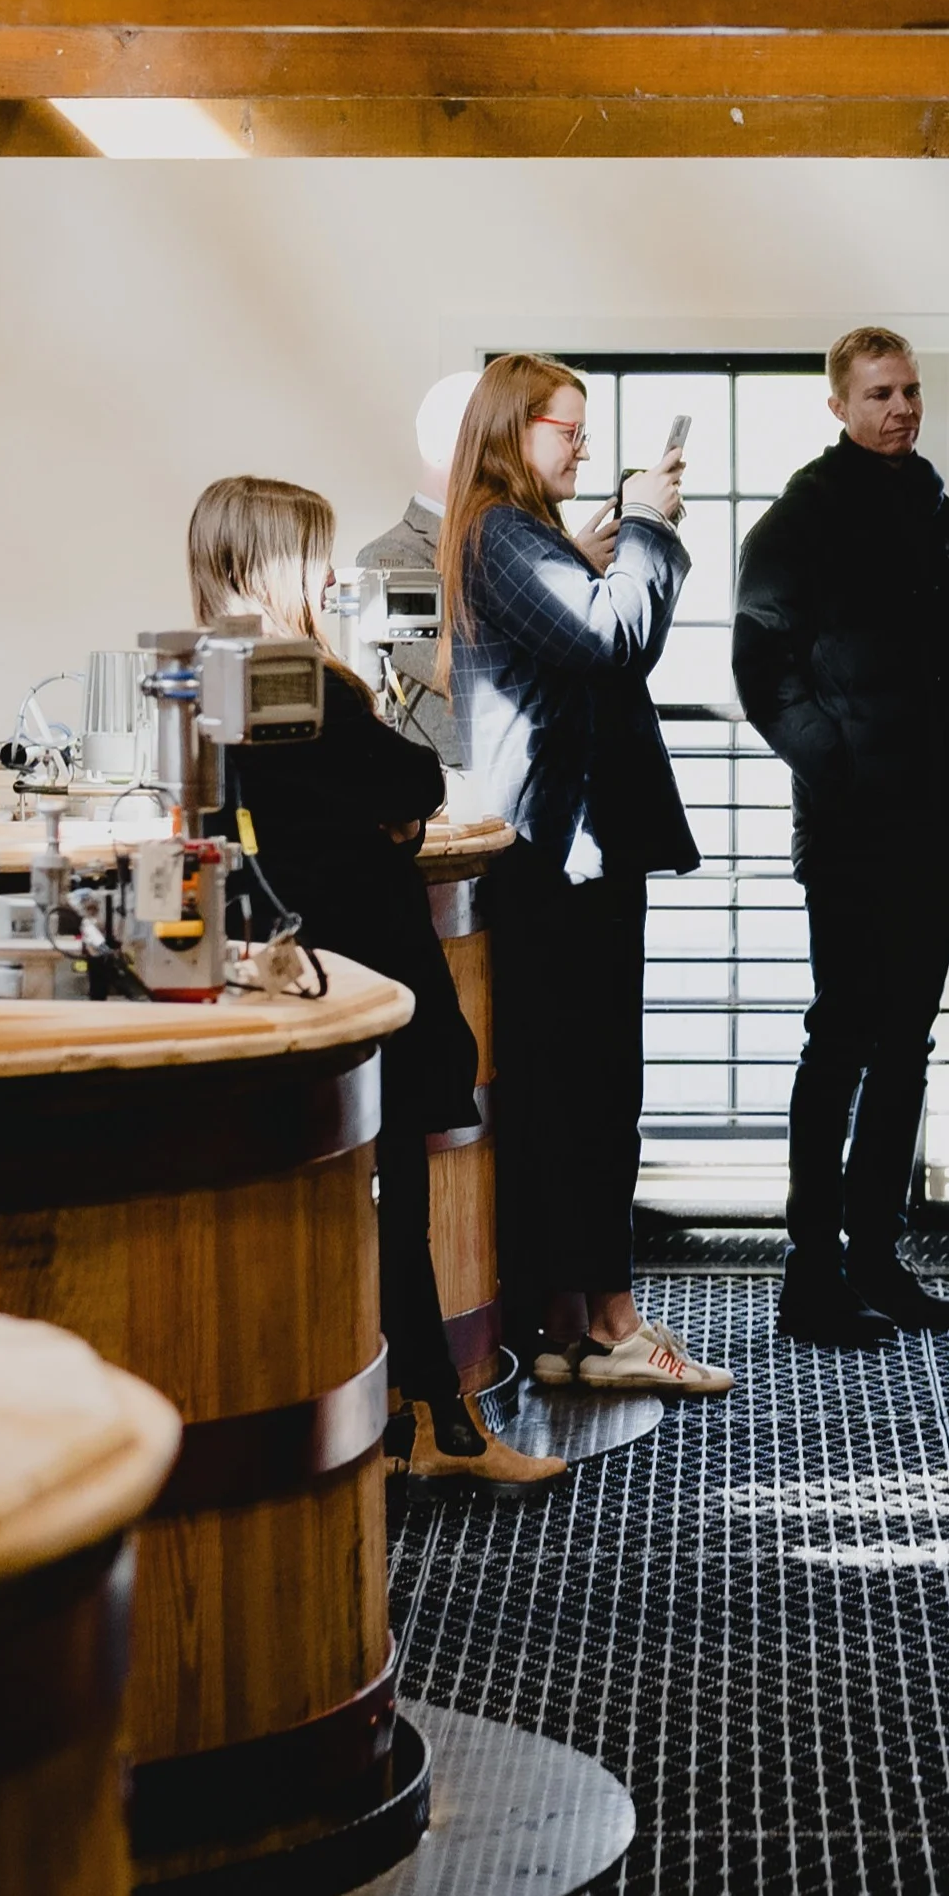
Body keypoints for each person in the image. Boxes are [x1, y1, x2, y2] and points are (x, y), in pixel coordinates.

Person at [187, 472, 562, 1488]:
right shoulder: (285, 673)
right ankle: (442, 1424)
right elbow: (408, 780)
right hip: (358, 960)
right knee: (390, 1195)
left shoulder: (209, 670)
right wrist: (381, 811)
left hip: (311, 950)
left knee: (376, 1197)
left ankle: (418, 1421)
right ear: (259, 561)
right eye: (309, 549)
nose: (327, 568)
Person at [443, 354, 731, 1403]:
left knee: (570, 1091)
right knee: (597, 1089)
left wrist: (594, 551)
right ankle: (608, 1321)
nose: (585, 447)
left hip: (560, 849)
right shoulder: (496, 530)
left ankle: (569, 1323)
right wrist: (649, 526)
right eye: (568, 429)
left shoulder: (514, 537)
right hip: (562, 853)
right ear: (515, 432)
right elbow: (616, 637)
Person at [733, 327, 949, 1349]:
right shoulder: (796, 523)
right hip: (853, 827)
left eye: (908, 391)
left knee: (906, 1046)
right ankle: (810, 1275)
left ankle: (877, 1259)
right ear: (838, 403)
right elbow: (761, 676)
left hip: (942, 824)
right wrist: (843, 765)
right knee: (843, 1040)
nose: (899, 408)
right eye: (878, 393)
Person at [351, 367, 478, 755]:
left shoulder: (514, 542)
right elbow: (463, 674)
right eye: (487, 441)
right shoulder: (385, 559)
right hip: (453, 796)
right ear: (443, 447)